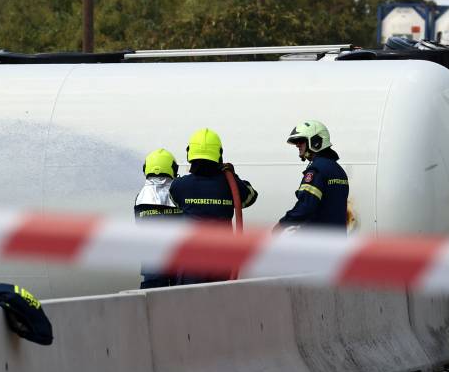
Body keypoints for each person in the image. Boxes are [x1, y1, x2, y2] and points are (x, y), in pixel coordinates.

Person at [169, 128, 257, 282]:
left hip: (191, 263)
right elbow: (250, 197)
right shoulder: (231, 185)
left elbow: (176, 202)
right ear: (219, 154)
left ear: (190, 153)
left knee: (187, 303)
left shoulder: (179, 186)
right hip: (222, 261)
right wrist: (232, 175)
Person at [278, 120, 349, 231]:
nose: (297, 145)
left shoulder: (316, 170)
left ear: (315, 142)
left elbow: (306, 206)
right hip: (337, 240)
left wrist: (282, 224)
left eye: (301, 141)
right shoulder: (338, 170)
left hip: (318, 241)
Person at [135, 148, 183, 289]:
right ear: (173, 168)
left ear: (146, 168)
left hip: (151, 264)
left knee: (152, 302)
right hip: (178, 262)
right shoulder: (178, 192)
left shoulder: (141, 196)